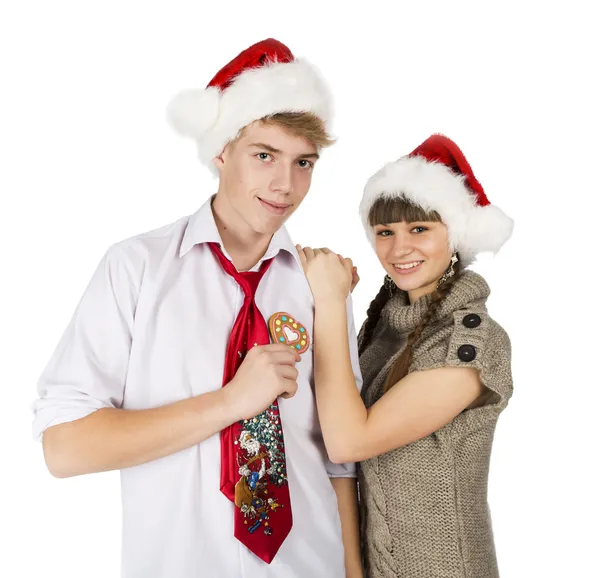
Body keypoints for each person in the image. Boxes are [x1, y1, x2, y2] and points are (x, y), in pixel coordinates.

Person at [32, 38, 363, 578]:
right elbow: (65, 449)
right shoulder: (136, 269)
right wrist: (231, 402)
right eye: (264, 155)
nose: (285, 185)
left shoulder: (320, 283)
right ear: (221, 150)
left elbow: (339, 457)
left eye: (304, 162)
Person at [298, 134, 514, 577]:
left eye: (419, 229)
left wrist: (331, 303)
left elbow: (349, 440)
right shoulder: (383, 329)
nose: (399, 249)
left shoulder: (472, 343)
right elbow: (342, 461)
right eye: (385, 232)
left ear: (455, 234)